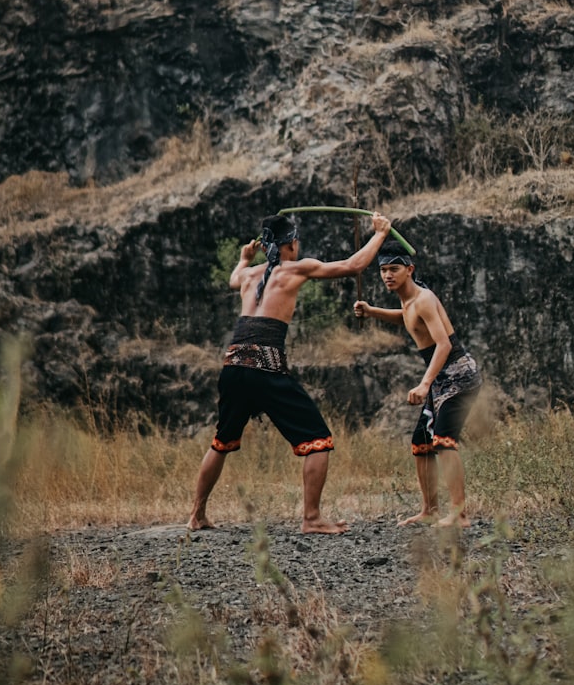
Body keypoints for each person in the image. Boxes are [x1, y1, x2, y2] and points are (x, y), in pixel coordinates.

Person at [188, 209, 392, 534]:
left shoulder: (249, 274)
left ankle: (196, 516)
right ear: (291, 244)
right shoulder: (298, 268)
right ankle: (311, 519)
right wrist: (381, 233)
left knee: (222, 440)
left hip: (233, 365)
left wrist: (243, 258)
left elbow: (232, 277)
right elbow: (353, 266)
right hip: (265, 367)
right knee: (318, 440)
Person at [354, 241, 481, 527]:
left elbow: (444, 344)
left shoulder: (423, 298)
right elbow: (409, 319)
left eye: (394, 269)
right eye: (384, 270)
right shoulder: (408, 300)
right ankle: (429, 510)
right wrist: (373, 311)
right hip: (441, 381)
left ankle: (459, 514)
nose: (388, 275)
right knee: (421, 443)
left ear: (409, 270)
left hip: (459, 377)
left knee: (444, 442)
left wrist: (424, 384)